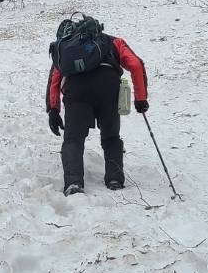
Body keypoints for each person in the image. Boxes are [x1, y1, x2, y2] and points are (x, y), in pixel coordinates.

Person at [45, 16, 148, 195]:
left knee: (73, 140)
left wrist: (53, 110)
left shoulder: (65, 50)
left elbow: (55, 78)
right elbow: (136, 64)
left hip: (76, 90)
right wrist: (140, 99)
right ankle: (115, 179)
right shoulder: (111, 41)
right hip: (108, 87)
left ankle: (74, 183)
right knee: (111, 137)